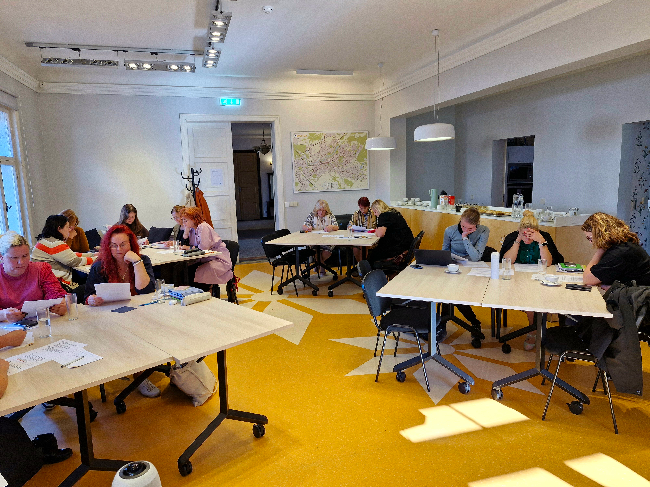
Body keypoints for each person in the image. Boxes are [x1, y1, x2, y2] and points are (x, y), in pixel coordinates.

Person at [84, 225, 158, 397]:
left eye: (123, 244)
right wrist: (91, 299)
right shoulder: (100, 266)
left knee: (144, 328)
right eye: (114, 245)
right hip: (109, 315)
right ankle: (137, 373)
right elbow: (87, 295)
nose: (118, 249)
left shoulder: (143, 260)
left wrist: (137, 262)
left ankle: (140, 375)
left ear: (131, 243)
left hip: (140, 311)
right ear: (107, 247)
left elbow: (146, 290)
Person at [499, 210, 564, 350]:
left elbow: (548, 263)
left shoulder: (544, 238)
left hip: (539, 278)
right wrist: (518, 241)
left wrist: (541, 242)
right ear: (519, 231)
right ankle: (534, 330)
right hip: (517, 279)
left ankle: (534, 329)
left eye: (531, 234)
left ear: (537, 231)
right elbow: (507, 261)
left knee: (535, 296)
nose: (528, 238)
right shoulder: (513, 237)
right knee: (529, 297)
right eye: (525, 234)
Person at [440, 207, 490, 338]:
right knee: (447, 292)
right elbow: (444, 251)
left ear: (476, 225)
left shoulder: (483, 231)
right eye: (463, 226)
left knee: (454, 294)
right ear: (460, 220)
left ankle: (471, 322)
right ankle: (446, 323)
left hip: (471, 267)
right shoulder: (450, 230)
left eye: (470, 228)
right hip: (453, 266)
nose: (465, 230)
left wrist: (465, 238)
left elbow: (475, 257)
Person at [0, 231, 67, 323]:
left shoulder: (41, 269)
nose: (21, 262)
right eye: (14, 258)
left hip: (40, 322)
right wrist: (3, 314)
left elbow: (56, 294)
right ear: (1, 257)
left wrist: (61, 305)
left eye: (25, 256)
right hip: (7, 326)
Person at [582, 212, 650, 288]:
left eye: (590, 238)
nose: (591, 242)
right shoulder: (624, 245)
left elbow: (587, 279)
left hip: (639, 294)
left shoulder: (619, 252)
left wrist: (600, 250)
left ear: (599, 235)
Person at [31, 215, 95, 291]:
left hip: (43, 284)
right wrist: (96, 259)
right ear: (59, 229)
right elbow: (74, 261)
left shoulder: (44, 240)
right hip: (56, 285)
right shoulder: (55, 243)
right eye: (67, 227)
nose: (69, 230)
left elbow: (69, 254)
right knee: (92, 286)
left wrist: (92, 255)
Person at [181, 207, 233, 291]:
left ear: (194, 219)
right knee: (184, 269)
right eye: (183, 220)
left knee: (196, 272)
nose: (184, 223)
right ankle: (193, 292)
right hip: (206, 258)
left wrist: (188, 247)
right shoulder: (192, 229)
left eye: (185, 220)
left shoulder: (203, 227)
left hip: (218, 259)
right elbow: (185, 245)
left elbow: (203, 248)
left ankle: (206, 292)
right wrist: (186, 232)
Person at [367, 199, 413, 265]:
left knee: (373, 255)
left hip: (398, 248)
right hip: (406, 245)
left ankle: (369, 269)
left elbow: (380, 234)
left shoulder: (384, 216)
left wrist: (376, 231)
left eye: (375, 212)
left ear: (378, 209)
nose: (375, 214)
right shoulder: (394, 212)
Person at [302, 200, 339, 275]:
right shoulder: (312, 215)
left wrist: (331, 227)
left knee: (327, 251)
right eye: (319, 210)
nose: (321, 212)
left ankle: (318, 264)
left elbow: (337, 227)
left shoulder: (330, 215)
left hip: (328, 240)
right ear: (316, 210)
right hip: (314, 239)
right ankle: (322, 267)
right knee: (315, 250)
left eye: (323, 210)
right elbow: (304, 226)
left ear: (326, 210)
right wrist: (308, 228)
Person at [348, 196, 378, 262]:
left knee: (363, 245)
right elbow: (350, 224)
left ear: (368, 206)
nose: (363, 210)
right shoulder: (356, 214)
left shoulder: (374, 213)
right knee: (356, 246)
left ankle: (362, 265)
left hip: (371, 237)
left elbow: (377, 226)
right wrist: (351, 227)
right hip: (358, 237)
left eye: (365, 208)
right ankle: (360, 264)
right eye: (361, 208)